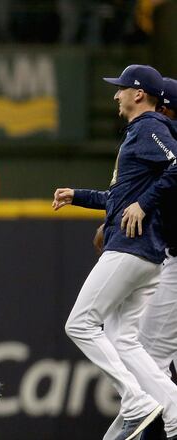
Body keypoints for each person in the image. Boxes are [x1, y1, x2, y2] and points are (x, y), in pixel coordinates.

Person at [53, 64, 177, 440]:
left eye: (122, 88)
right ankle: (173, 414)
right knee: (124, 340)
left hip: (132, 247)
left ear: (139, 94)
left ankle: (135, 401)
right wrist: (78, 196)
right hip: (148, 253)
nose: (116, 94)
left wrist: (143, 205)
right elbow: (121, 199)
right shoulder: (142, 132)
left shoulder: (149, 126)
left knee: (80, 324)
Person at [102, 76, 177, 440]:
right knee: (142, 355)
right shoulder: (156, 143)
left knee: (146, 356)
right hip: (166, 257)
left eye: (162, 108)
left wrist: (141, 205)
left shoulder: (158, 136)